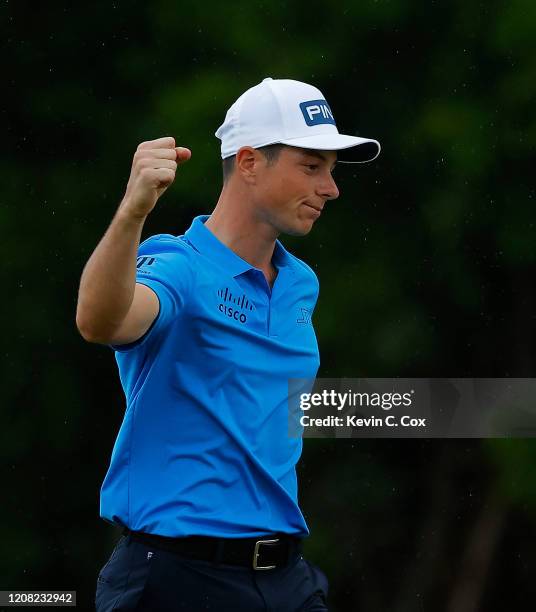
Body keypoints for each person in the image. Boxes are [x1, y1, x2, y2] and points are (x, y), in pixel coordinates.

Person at [76, 77, 380, 611]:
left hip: (285, 578)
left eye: (330, 171)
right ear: (248, 163)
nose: (330, 188)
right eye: (312, 167)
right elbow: (103, 322)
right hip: (177, 579)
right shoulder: (178, 265)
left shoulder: (299, 283)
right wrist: (132, 211)